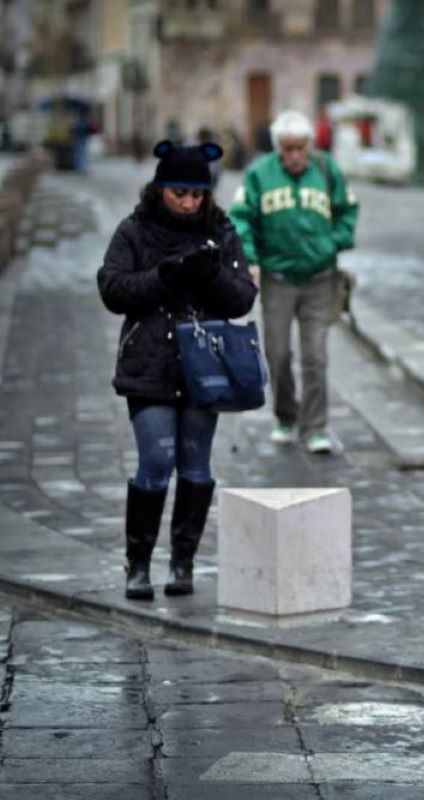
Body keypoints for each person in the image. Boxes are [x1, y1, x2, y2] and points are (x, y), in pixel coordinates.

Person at [97, 140, 258, 601]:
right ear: (160, 189)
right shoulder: (135, 230)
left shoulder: (221, 230)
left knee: (195, 464)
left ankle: (183, 562)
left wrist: (209, 275)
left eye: (197, 195)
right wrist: (166, 275)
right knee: (155, 460)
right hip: (149, 363)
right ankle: (139, 564)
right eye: (179, 193)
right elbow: (112, 288)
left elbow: (244, 296)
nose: (189, 203)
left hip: (204, 366)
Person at [229, 110, 359, 454]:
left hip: (320, 278)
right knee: (278, 353)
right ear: (278, 148)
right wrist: (251, 259)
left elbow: (348, 210)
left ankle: (315, 427)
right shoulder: (259, 174)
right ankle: (286, 416)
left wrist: (333, 243)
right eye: (288, 149)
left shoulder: (327, 170)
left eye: (301, 148)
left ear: (309, 146)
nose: (296, 156)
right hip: (278, 279)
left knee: (315, 355)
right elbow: (241, 218)